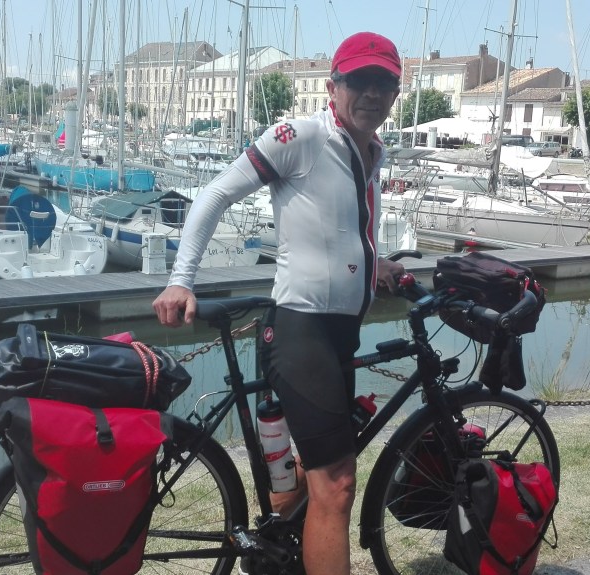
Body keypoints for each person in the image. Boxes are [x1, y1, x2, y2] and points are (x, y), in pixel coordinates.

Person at [152, 31, 405, 575]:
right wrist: (181, 281)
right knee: (337, 484)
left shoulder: (371, 151)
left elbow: (343, 229)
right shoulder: (303, 136)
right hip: (300, 328)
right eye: (359, 80)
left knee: (315, 477)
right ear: (333, 87)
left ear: (395, 93)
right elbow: (215, 193)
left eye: (383, 83)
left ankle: (282, 553)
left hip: (339, 333)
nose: (371, 93)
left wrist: (375, 263)